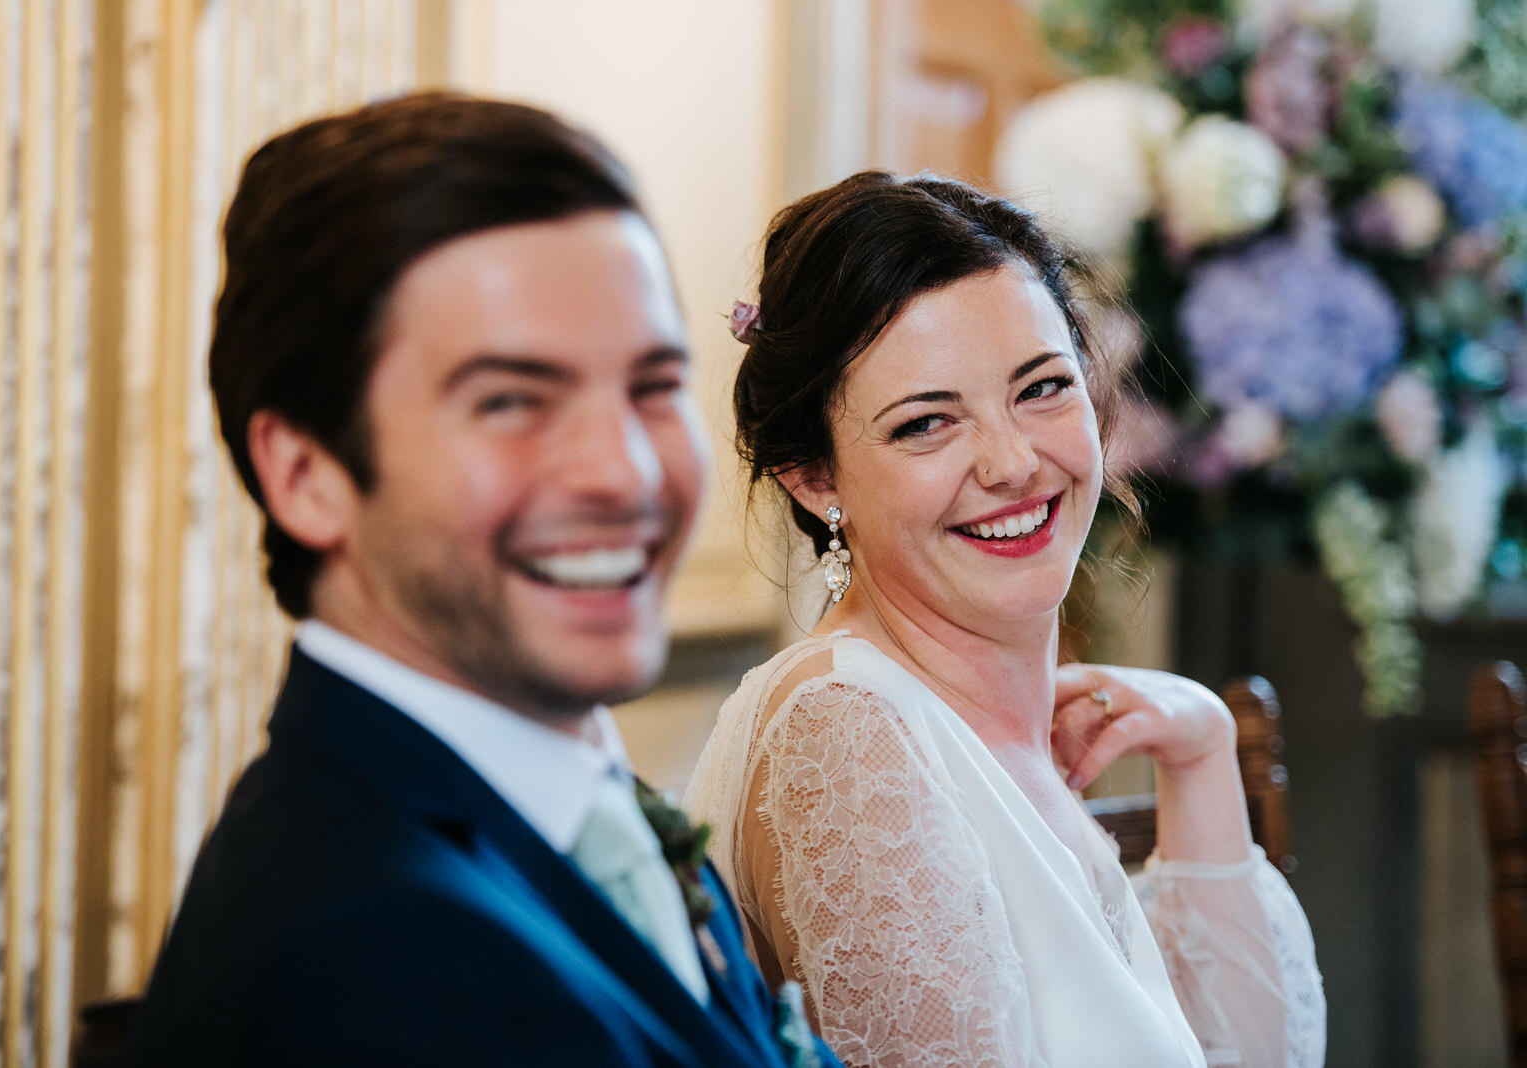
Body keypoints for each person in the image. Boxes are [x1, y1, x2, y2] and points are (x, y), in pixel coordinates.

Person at [129, 92, 840, 1068]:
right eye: (511, 400)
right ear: (307, 476)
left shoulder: (572, 795)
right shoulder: (377, 966)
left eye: (653, 386)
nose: (625, 470)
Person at [685, 172, 1327, 1067]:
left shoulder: (995, 731)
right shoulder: (843, 732)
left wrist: (1204, 753)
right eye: (924, 424)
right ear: (814, 477)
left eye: (1041, 389)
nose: (1014, 462)